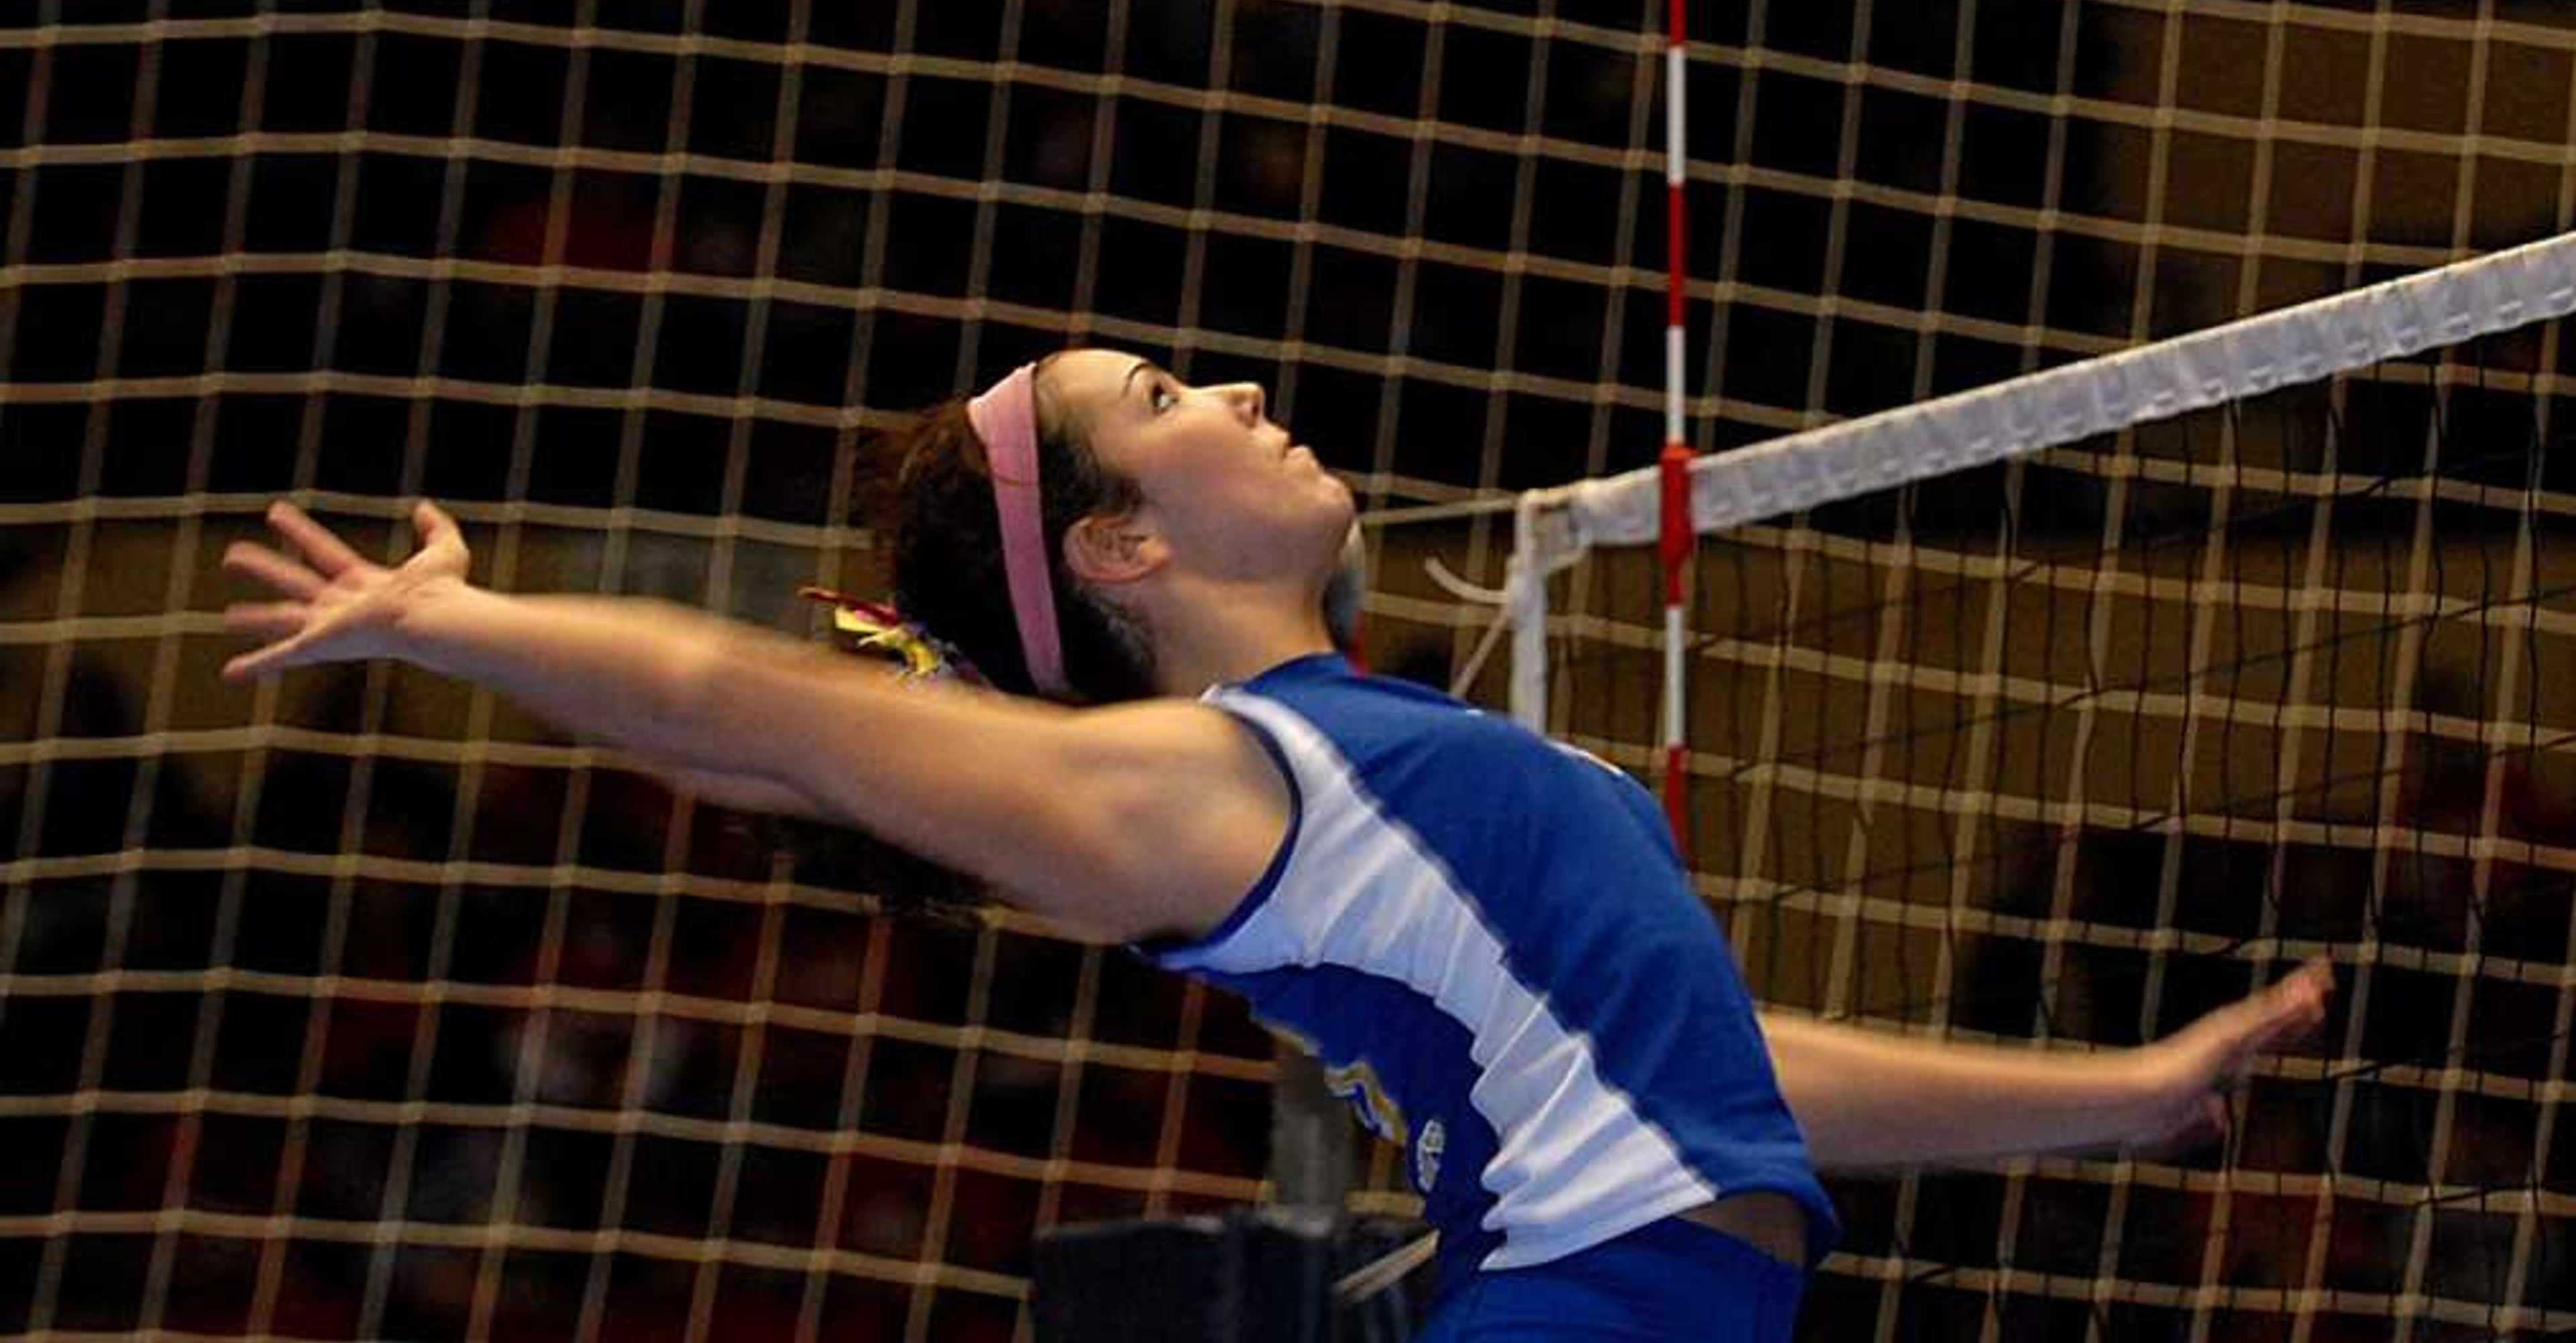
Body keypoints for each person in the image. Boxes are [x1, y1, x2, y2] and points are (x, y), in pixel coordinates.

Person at [224, 350, 2333, 1341]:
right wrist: (455, 620)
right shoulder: (1211, 779)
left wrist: (2122, 1100)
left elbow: (1720, 1078)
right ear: (1124, 543)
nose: (1237, 380)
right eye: (1164, 396)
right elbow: (743, 707)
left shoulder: (1387, 765)